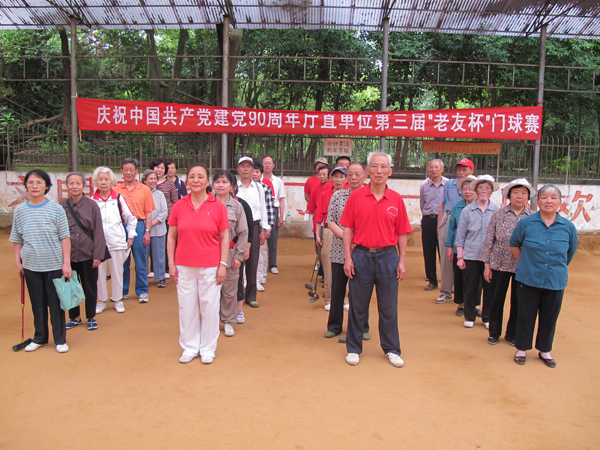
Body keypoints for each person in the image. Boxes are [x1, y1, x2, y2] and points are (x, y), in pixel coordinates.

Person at [341, 152, 413, 368]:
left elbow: (402, 233)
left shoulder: (396, 199)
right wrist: (348, 258)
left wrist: (402, 261)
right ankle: (354, 348)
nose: (379, 171)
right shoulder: (356, 196)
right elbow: (347, 229)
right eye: (374, 166)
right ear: (368, 171)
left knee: (388, 307)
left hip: (388, 257)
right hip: (361, 256)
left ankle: (391, 349)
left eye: (383, 167)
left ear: (390, 171)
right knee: (357, 306)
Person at [510, 184, 577, 368]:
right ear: (538, 201)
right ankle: (521, 348)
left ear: (560, 202)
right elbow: (514, 244)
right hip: (528, 278)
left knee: (549, 317)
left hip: (555, 280)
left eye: (554, 197)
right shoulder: (526, 223)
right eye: (545, 197)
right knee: (526, 315)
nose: (549, 201)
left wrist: (556, 266)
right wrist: (526, 262)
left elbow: (569, 253)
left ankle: (545, 350)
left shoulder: (568, 227)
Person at [167, 164, 229, 364]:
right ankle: (189, 347)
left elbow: (225, 237)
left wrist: (222, 265)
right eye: (192, 176)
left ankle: (208, 348)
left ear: (207, 181)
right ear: (186, 182)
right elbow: (171, 237)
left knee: (209, 307)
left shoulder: (217, 206)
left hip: (210, 266)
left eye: (200, 176)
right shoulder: (179, 206)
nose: (196, 180)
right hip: (183, 265)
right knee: (187, 308)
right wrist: (171, 264)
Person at [10, 169, 72, 353]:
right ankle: (40, 337)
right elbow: (17, 239)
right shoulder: (20, 211)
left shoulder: (56, 209)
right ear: (26, 186)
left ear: (46, 186)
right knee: (37, 303)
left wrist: (66, 263)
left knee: (55, 304)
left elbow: (65, 238)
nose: (34, 186)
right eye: (30, 182)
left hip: (54, 265)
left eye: (39, 182)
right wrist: (18, 262)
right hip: (31, 266)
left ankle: (60, 339)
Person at [481, 178, 534, 346]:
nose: (519, 196)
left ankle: (512, 334)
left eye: (523, 193)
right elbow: (489, 240)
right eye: (516, 193)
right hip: (499, 263)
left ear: (528, 197)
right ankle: (494, 332)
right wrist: (487, 265)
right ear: (509, 195)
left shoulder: (533, 217)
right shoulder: (498, 214)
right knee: (496, 300)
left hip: (522, 267)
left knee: (518, 302)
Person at [324, 162, 367, 337]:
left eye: (358, 174)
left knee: (361, 292)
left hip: (363, 250)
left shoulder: (370, 196)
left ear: (365, 176)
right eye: (351, 174)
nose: (354, 178)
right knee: (338, 289)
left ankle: (362, 327)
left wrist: (358, 240)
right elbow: (330, 221)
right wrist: (347, 237)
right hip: (339, 249)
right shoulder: (338, 196)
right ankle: (334, 326)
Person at [60, 172, 107, 331]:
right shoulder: (61, 207)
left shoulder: (92, 205)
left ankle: (91, 316)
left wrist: (98, 255)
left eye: (78, 183)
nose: (74, 186)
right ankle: (74, 317)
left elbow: (98, 231)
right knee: (71, 286)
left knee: (90, 286)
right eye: (71, 183)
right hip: (69, 256)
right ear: (67, 186)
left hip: (88, 254)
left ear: (84, 186)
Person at [455, 175, 500, 328]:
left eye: (487, 188)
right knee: (470, 287)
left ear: (491, 191)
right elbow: (460, 235)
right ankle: (469, 316)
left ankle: (487, 317)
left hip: (490, 258)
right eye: (481, 188)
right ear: (476, 190)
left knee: (489, 288)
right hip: (471, 255)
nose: (484, 191)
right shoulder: (467, 211)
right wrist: (460, 257)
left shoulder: (497, 211)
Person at [92, 167, 138, 315]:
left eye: (106, 179)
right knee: (99, 274)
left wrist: (130, 236)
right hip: (98, 245)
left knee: (118, 272)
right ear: (95, 182)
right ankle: (102, 300)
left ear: (111, 181)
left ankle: (117, 299)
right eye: (100, 179)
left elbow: (131, 218)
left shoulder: (118, 199)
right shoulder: (92, 201)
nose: (103, 182)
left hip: (117, 242)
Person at [114, 158, 155, 303]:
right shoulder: (116, 190)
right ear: (121, 171)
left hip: (139, 225)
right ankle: (123, 290)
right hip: (121, 227)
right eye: (126, 170)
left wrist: (147, 231)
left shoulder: (144, 189)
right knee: (122, 261)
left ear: (136, 171)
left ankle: (142, 291)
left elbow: (148, 212)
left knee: (140, 261)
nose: (128, 172)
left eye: (131, 170)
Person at [213, 170, 249, 337]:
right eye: (217, 182)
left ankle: (228, 321)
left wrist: (238, 256)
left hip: (230, 253)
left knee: (229, 290)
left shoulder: (237, 206)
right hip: (209, 253)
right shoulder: (206, 204)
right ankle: (211, 320)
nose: (220, 185)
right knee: (209, 290)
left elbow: (243, 232)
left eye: (224, 182)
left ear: (232, 186)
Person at [436, 158, 475, 304]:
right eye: (459, 169)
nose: (461, 172)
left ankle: (466, 296)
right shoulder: (450, 184)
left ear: (472, 171)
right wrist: (440, 225)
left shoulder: (476, 185)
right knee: (447, 257)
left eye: (465, 169)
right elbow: (442, 205)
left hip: (471, 222)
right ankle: (446, 292)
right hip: (450, 219)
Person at [236, 156, 270, 309]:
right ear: (238, 169)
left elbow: (263, 208)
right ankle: (238, 295)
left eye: (248, 166)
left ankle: (251, 296)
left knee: (253, 262)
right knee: (237, 261)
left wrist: (264, 228)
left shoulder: (258, 188)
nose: (245, 169)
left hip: (255, 227)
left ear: (252, 169)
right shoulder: (234, 187)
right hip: (237, 228)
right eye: (243, 166)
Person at [315, 166, 347, 310]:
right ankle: (329, 299)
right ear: (331, 178)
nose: (338, 180)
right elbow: (318, 217)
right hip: (328, 231)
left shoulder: (351, 195)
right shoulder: (324, 194)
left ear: (346, 179)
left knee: (346, 264)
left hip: (347, 232)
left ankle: (345, 299)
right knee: (328, 266)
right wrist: (318, 234)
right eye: (335, 177)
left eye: (341, 177)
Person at [445, 175, 477, 316]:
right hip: (459, 249)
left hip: (476, 249)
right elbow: (452, 228)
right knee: (460, 277)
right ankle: (461, 304)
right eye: (464, 189)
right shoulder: (457, 207)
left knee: (476, 279)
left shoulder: (482, 207)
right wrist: (449, 247)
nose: (467, 192)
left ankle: (474, 305)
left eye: (470, 189)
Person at [420, 159, 447, 292]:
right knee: (428, 252)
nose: (434, 170)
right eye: (431, 167)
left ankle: (447, 281)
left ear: (442, 169)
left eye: (436, 167)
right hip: (428, 220)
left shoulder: (448, 185)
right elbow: (422, 204)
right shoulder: (424, 187)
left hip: (443, 221)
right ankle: (432, 281)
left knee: (444, 252)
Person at [149, 158, 178, 278]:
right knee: (151, 244)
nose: (160, 170)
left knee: (165, 244)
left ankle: (165, 268)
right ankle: (153, 269)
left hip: (167, 218)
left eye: (162, 168)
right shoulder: (148, 183)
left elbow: (175, 201)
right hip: (151, 219)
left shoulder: (169, 183)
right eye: (157, 167)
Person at [252, 159, 276, 292]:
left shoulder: (265, 188)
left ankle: (259, 278)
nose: (254, 174)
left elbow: (269, 209)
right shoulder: (239, 188)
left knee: (261, 253)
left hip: (261, 225)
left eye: (257, 172)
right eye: (253, 171)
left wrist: (267, 227)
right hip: (247, 225)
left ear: (261, 174)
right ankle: (246, 279)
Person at [142, 169, 168, 288]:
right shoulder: (140, 194)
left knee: (159, 254)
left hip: (158, 229)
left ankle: (161, 277)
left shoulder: (160, 194)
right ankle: (143, 279)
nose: (153, 181)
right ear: (144, 180)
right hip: (143, 230)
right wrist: (146, 226)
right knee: (143, 255)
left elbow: (164, 212)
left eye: (155, 179)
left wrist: (151, 224)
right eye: (150, 178)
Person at [262, 155, 285, 274]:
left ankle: (272, 264)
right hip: (261, 211)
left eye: (269, 163)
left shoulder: (278, 181)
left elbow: (281, 199)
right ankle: (259, 266)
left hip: (273, 211)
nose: (267, 165)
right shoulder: (257, 179)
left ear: (273, 166)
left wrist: (281, 216)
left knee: (273, 240)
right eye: (265, 163)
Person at [304, 157, 329, 238]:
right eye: (318, 165)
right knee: (317, 236)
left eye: (323, 165)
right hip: (316, 213)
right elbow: (307, 196)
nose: (320, 166)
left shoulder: (333, 185)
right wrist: (317, 207)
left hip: (329, 216)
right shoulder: (310, 181)